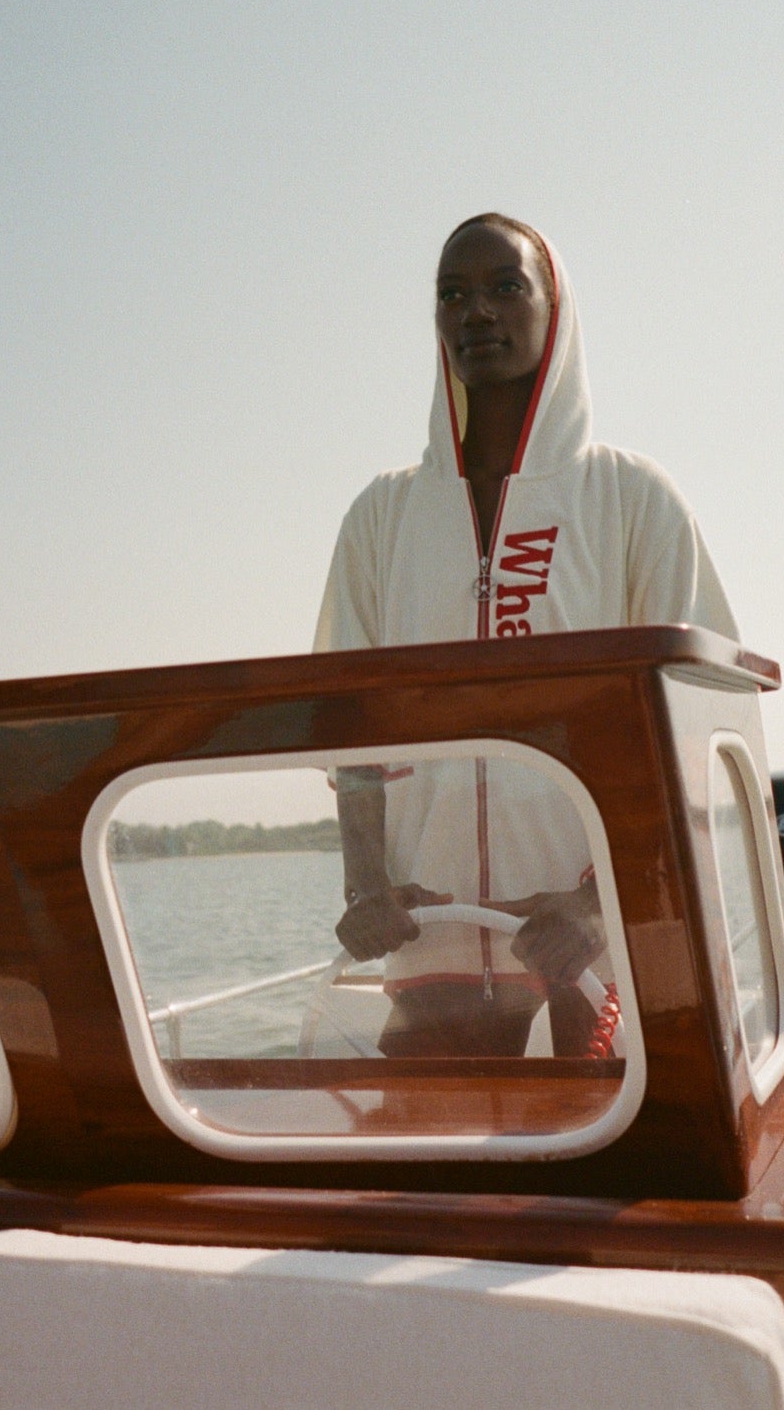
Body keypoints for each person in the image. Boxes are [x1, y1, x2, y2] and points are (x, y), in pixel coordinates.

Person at [314, 214, 738, 1057]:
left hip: (595, 960)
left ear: (556, 308)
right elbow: (344, 724)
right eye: (453, 294)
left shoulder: (630, 498)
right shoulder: (382, 516)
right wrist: (365, 882)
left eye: (506, 286)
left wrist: (593, 903)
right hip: (426, 956)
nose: (478, 311)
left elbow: (697, 730)